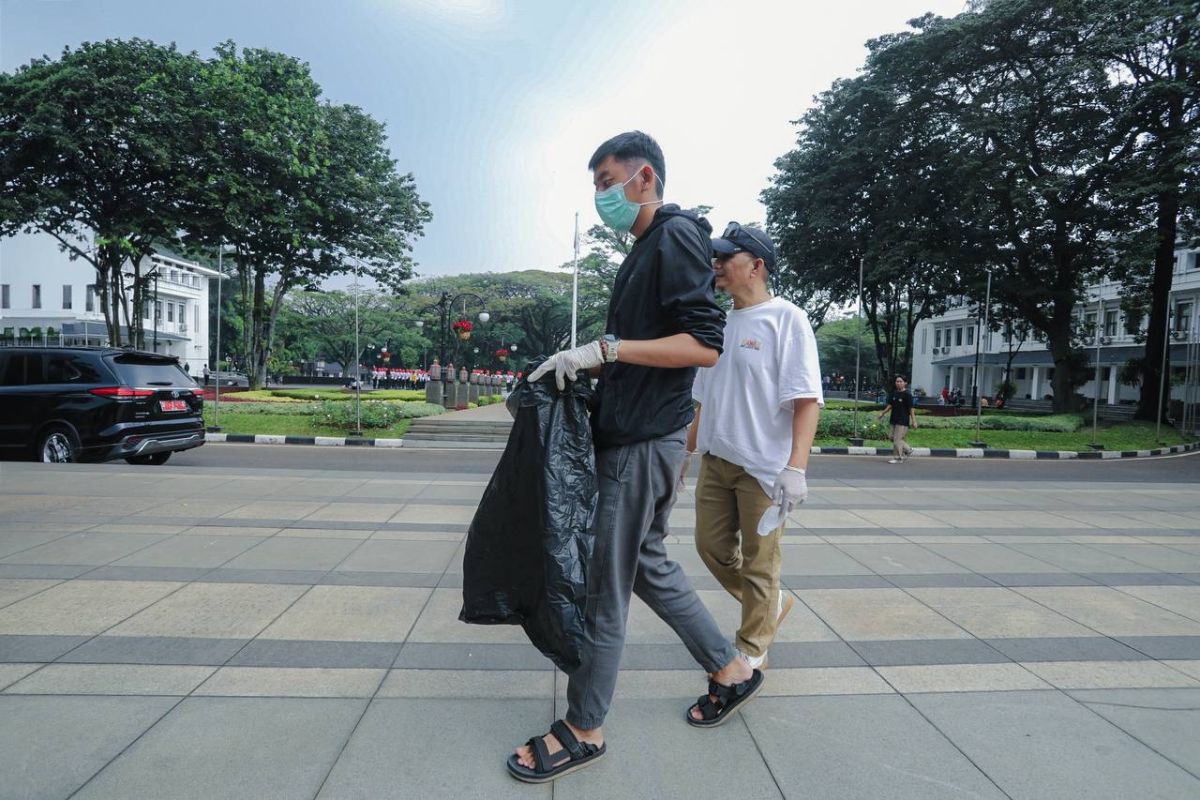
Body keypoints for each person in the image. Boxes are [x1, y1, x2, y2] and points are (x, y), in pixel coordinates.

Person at [510, 131, 758, 784]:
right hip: (645, 435)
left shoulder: (675, 237)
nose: (602, 196)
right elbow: (648, 349)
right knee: (646, 562)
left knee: (604, 586)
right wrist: (585, 366)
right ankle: (730, 669)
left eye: (607, 182)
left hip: (642, 444)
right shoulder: (645, 249)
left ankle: (584, 727)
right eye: (596, 185)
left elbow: (705, 346)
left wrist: (607, 350)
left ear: (644, 178)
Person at [684, 222, 823, 672]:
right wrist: (685, 451)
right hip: (717, 460)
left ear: (756, 266)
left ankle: (751, 650)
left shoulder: (787, 319)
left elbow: (806, 399)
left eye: (727, 257)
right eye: (717, 257)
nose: (717, 264)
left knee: (760, 561)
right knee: (710, 547)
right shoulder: (718, 322)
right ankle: (769, 603)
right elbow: (703, 396)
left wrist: (796, 468)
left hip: (763, 468)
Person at [878, 375, 918, 463]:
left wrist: (914, 421)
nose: (898, 383)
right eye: (897, 381)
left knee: (897, 440)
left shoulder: (907, 395)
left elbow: (911, 409)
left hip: (903, 420)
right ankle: (908, 449)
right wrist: (882, 413)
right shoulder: (894, 393)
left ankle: (898, 458)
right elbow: (890, 405)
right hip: (894, 419)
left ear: (905, 383)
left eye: (900, 381)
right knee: (891, 437)